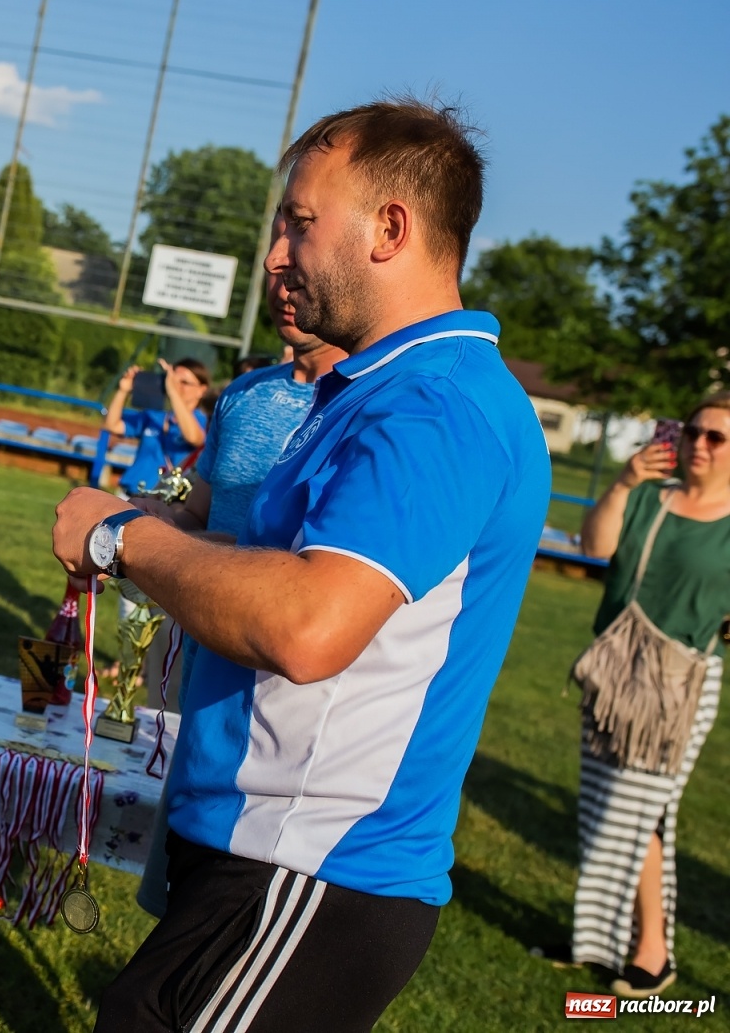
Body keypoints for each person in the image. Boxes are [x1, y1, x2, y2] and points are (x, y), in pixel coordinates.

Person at [53, 97, 549, 1033]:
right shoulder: (375, 388)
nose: (277, 254)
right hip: (263, 847)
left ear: (390, 229)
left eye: (299, 222)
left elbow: (308, 623)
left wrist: (122, 537)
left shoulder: (433, 405)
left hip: (312, 862)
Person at [129, 216, 349, 919]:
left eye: (298, 275)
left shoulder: (359, 407)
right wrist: (132, 520)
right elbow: (206, 505)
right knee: (179, 820)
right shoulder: (247, 395)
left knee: (242, 859)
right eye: (275, 277)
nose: (283, 286)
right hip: (197, 632)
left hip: (276, 664)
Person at [549, 396, 730, 997]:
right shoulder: (650, 495)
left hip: (682, 683)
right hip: (614, 673)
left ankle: (648, 951)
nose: (699, 446)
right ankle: (608, 941)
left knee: (639, 810)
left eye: (716, 439)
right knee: (610, 809)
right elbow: (596, 548)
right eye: (694, 432)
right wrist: (626, 480)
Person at [104, 358, 209, 497]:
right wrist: (123, 391)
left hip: (162, 501)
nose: (176, 385)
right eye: (172, 380)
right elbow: (112, 425)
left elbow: (194, 438)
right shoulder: (156, 416)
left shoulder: (202, 421)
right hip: (130, 493)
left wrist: (173, 392)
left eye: (184, 382)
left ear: (202, 390)